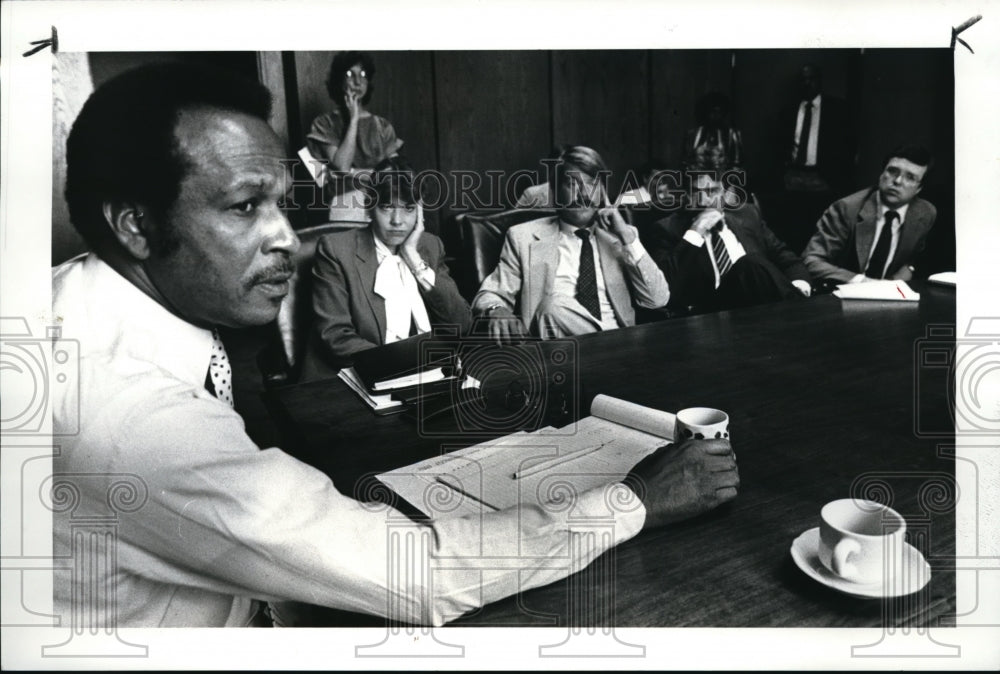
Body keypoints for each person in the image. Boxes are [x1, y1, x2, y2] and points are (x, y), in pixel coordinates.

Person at [51, 63, 739, 628]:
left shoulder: (79, 301)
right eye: (243, 207)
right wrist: (636, 499)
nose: (289, 238)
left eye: (283, 205)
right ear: (136, 226)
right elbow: (419, 575)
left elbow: (464, 318)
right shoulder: (133, 417)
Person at [473, 146, 671, 341]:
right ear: (556, 192)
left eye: (592, 184)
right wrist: (496, 310)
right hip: (561, 355)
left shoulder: (621, 237)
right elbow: (492, 292)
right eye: (572, 184)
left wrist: (627, 239)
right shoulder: (523, 238)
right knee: (552, 307)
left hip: (621, 346)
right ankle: (606, 344)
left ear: (601, 191)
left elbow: (657, 300)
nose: (583, 193)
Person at [307, 157, 471, 369]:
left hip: (424, 371)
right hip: (358, 373)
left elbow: (460, 324)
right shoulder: (336, 250)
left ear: (420, 212)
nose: (397, 220)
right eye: (386, 207)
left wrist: (414, 258)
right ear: (369, 207)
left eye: (409, 208)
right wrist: (401, 364)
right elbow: (336, 337)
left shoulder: (430, 246)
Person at [647, 168, 812, 312]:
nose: (704, 200)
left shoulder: (748, 215)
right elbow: (665, 289)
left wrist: (799, 285)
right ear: (686, 195)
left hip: (764, 307)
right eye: (696, 192)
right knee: (749, 264)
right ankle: (801, 312)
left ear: (726, 193)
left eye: (712, 191)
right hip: (714, 312)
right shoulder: (667, 229)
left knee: (752, 265)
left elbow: (789, 262)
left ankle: (797, 308)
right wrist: (696, 230)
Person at [802, 145, 937, 284]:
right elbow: (811, 261)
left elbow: (915, 257)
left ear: (919, 189)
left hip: (892, 295)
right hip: (844, 293)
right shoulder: (846, 209)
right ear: (881, 174)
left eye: (910, 177)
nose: (897, 181)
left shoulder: (925, 213)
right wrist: (862, 281)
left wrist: (909, 268)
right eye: (892, 171)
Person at [770, 64, 855, 252]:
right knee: (792, 227)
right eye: (803, 80)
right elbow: (778, 146)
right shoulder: (788, 111)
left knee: (820, 228)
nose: (807, 84)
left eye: (811, 79)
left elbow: (848, 145)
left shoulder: (837, 109)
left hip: (823, 178)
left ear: (820, 81)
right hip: (793, 178)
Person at [306, 51, 403, 216]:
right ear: (339, 80)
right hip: (344, 203)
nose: (358, 81)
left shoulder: (382, 126)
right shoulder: (324, 124)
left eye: (363, 75)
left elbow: (394, 175)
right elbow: (342, 166)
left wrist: (352, 174)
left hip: (381, 202)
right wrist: (354, 119)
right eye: (350, 75)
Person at [682, 92, 744, 172]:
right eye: (711, 111)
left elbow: (737, 163)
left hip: (723, 181)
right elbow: (685, 162)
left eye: (719, 112)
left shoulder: (732, 134)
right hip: (697, 181)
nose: (715, 115)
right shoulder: (692, 134)